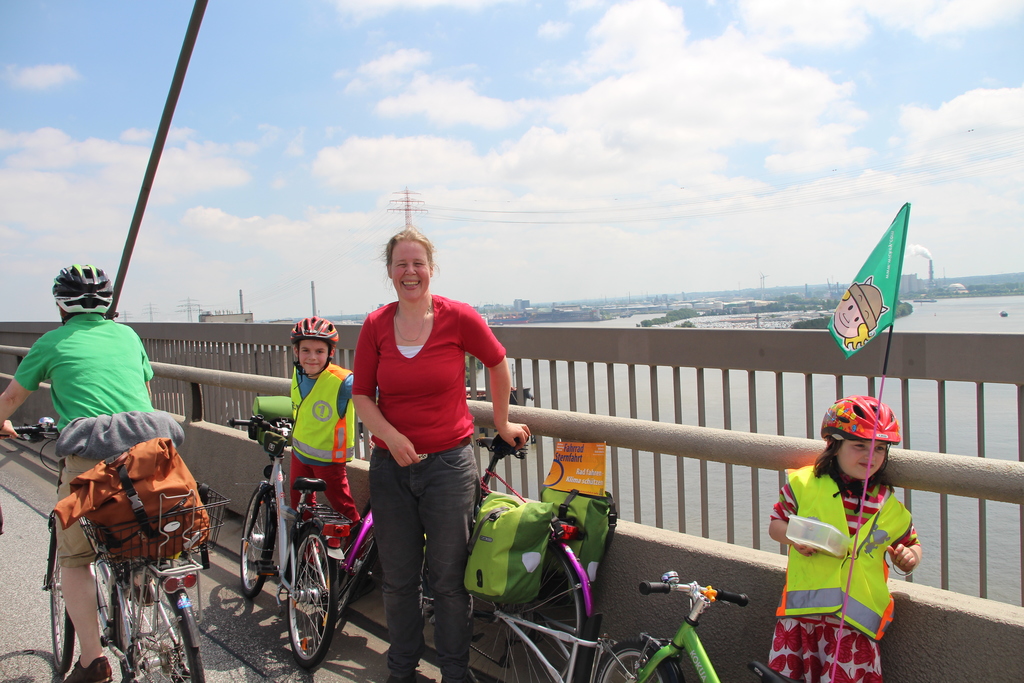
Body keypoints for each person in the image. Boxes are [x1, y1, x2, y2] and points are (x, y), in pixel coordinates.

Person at [352, 225, 530, 683]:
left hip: (449, 465)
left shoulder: (459, 317)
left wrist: (503, 421)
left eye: (418, 264)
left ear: (431, 269)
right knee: (399, 579)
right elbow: (362, 397)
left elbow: (497, 361)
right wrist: (390, 437)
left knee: (449, 581)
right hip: (392, 469)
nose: (410, 272)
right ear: (389, 272)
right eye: (401, 264)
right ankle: (402, 669)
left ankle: (454, 672)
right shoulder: (375, 325)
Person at [0, 265, 158, 683]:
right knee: (146, 521)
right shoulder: (128, 336)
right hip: (151, 449)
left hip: (91, 460)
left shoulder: (50, 343)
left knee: (75, 559)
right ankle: (142, 571)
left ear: (61, 304)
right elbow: (141, 387)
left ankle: (92, 661)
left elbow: (13, 397)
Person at [767, 395, 923, 683]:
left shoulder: (890, 506)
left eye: (880, 448)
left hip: (855, 628)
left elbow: (911, 543)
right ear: (834, 445)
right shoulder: (802, 485)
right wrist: (793, 538)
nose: (870, 456)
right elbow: (777, 524)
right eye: (859, 446)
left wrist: (909, 557)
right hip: (802, 620)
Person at [287, 315, 359, 524]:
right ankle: (308, 552)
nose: (312, 358)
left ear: (331, 353)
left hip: (329, 462)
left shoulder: (343, 381)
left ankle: (357, 552)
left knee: (344, 510)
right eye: (305, 351)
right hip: (299, 454)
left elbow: (378, 393)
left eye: (319, 352)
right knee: (300, 509)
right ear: (296, 351)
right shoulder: (298, 372)